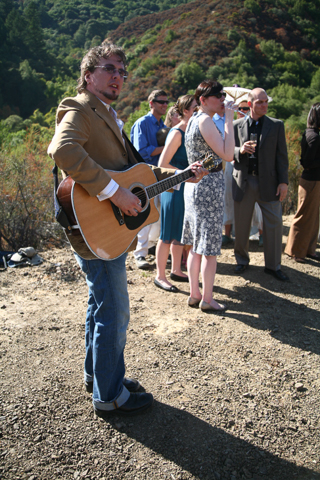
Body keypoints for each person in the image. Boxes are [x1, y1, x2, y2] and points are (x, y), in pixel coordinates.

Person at [48, 41, 206, 417]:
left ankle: (99, 376)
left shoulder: (107, 113)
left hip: (102, 226)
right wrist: (116, 193)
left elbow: (140, 172)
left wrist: (183, 175)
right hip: (95, 223)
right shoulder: (79, 107)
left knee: (99, 303)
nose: (117, 76)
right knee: (115, 311)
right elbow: (63, 150)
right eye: (109, 69)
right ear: (88, 76)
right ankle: (110, 396)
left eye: (122, 71)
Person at [182, 80, 235, 312]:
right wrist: (230, 121)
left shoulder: (193, 119)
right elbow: (228, 154)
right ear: (203, 100)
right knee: (210, 248)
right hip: (209, 186)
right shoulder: (205, 120)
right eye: (218, 96)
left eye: (222, 95)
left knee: (195, 245)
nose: (222, 99)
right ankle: (208, 298)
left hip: (194, 186)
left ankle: (195, 294)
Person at [232, 88, 289, 281]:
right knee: (241, 225)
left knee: (274, 224)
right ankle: (241, 261)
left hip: (270, 183)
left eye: (266, 101)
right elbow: (226, 150)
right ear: (250, 105)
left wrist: (283, 182)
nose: (264, 105)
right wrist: (240, 150)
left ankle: (273, 266)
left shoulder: (276, 125)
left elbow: (282, 156)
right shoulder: (235, 125)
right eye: (260, 102)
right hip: (244, 181)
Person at [155, 95, 197, 292]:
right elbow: (162, 164)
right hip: (173, 188)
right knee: (167, 233)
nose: (198, 111)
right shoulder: (177, 133)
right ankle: (160, 276)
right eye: (195, 108)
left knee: (181, 230)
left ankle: (176, 270)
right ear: (185, 111)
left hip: (186, 187)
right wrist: (187, 174)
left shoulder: (192, 131)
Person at [130, 90, 169, 269]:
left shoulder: (162, 124)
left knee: (159, 211)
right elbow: (142, 151)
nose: (164, 104)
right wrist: (166, 148)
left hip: (160, 173)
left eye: (166, 102)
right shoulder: (142, 123)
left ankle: (152, 246)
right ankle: (139, 254)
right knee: (145, 212)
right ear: (151, 103)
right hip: (144, 174)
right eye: (160, 101)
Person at [284, 103, 320, 262]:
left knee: (313, 217)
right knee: (304, 216)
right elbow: (307, 161)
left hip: (313, 180)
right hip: (311, 181)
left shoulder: (312, 133)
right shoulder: (314, 136)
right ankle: (296, 251)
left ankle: (309, 249)